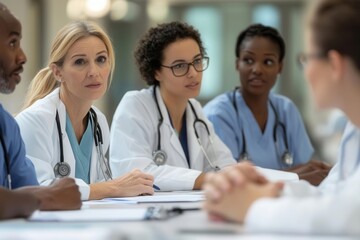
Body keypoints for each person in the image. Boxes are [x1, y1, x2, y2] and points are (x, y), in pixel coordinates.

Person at [203, 0, 360, 235]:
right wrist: (264, 189)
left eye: (306, 58)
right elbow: (332, 192)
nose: (305, 71)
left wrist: (252, 206)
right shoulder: (353, 128)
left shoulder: (287, 109)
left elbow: (346, 215)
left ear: (334, 65)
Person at [16, 21, 154, 201]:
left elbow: (96, 190)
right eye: (80, 62)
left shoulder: (98, 122)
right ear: (58, 72)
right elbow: (37, 191)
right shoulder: (35, 121)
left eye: (101, 60)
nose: (93, 72)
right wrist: (114, 187)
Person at [110, 22, 236, 191]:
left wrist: (236, 176)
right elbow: (135, 174)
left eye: (197, 61)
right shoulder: (135, 106)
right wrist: (206, 180)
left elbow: (224, 164)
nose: (193, 73)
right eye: (179, 66)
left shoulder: (195, 110)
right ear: (156, 72)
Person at [204, 24, 331, 185]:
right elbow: (231, 182)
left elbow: (308, 167)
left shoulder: (286, 110)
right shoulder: (218, 115)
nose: (257, 69)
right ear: (237, 64)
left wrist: (305, 173)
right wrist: (296, 176)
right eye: (248, 60)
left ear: (280, 67)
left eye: (268, 62)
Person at [0, 3, 81, 219]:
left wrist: (43, 196)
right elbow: (43, 196)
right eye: (12, 42)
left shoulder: (5, 124)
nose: (22, 56)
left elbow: (28, 188)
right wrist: (47, 197)